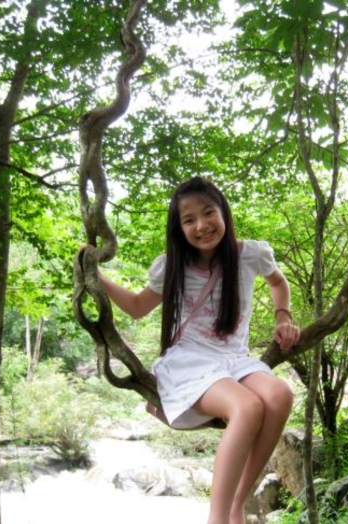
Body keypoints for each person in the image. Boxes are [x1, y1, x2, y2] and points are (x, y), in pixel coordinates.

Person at [97, 176, 300, 524]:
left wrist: (283, 316)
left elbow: (278, 282)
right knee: (247, 407)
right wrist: (95, 275)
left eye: (208, 213)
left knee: (281, 394)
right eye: (188, 220)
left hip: (234, 360)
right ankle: (217, 519)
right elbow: (137, 307)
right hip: (189, 362)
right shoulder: (173, 266)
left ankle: (237, 504)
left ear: (223, 213)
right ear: (179, 228)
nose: (201, 225)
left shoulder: (249, 254)